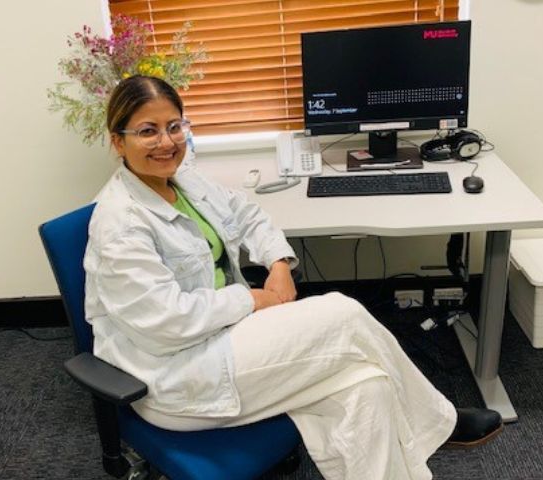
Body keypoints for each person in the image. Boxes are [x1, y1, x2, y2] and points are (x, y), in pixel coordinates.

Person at [84, 75, 502, 480]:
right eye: (148, 131)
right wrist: (254, 300)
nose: (167, 141)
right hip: (178, 375)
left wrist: (279, 263)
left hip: (226, 336)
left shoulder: (182, 179)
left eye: (175, 126)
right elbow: (168, 323)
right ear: (118, 141)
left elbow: (247, 213)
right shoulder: (120, 222)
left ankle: (430, 428)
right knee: (344, 314)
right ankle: (440, 421)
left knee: (368, 385)